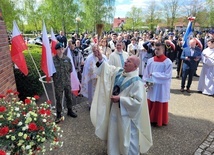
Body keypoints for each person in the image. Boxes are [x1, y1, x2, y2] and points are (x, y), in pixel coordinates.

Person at [91, 50, 153, 155]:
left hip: (126, 116)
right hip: (114, 112)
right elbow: (107, 69)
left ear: (135, 66)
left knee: (127, 136)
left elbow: (138, 102)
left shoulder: (137, 82)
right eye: (126, 60)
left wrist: (121, 99)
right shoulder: (119, 72)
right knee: (113, 133)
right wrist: (101, 58)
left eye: (129, 61)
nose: (125, 62)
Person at [143, 42, 173, 127]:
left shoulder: (167, 62)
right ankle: (150, 118)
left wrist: (154, 75)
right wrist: (146, 82)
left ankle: (160, 120)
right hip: (152, 84)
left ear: (163, 50)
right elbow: (146, 73)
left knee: (160, 100)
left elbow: (167, 76)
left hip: (162, 86)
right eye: (155, 49)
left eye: (158, 49)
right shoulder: (150, 60)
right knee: (151, 99)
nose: (156, 51)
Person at [53, 43, 77, 123]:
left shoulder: (67, 59)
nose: (61, 50)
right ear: (56, 50)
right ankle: (59, 114)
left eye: (62, 49)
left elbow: (70, 69)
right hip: (58, 83)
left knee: (69, 97)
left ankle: (70, 110)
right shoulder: (53, 60)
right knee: (59, 99)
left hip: (67, 82)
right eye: (59, 49)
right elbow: (51, 72)